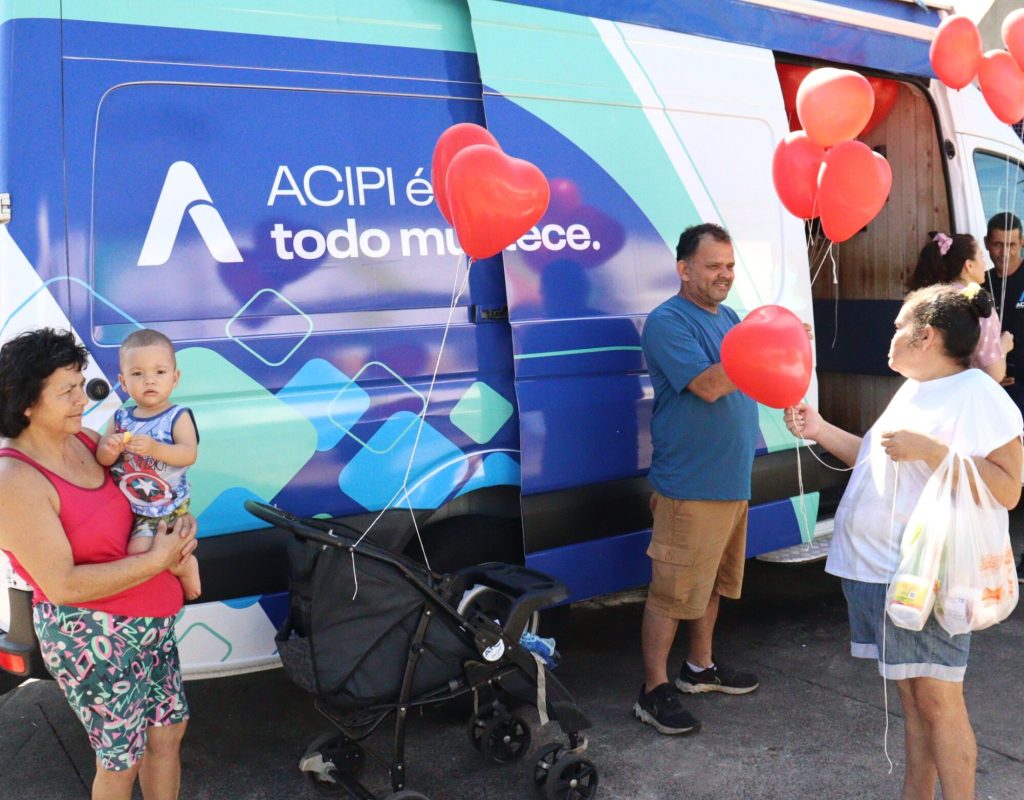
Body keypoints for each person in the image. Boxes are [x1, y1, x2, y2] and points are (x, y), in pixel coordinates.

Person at [784, 284, 1022, 800]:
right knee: (916, 703)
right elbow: (874, 463)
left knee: (938, 703)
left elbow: (1008, 488)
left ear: (927, 335)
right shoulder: (915, 387)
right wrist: (819, 428)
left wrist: (933, 452)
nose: (888, 337)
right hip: (880, 574)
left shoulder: (979, 394)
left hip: (922, 577)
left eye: (898, 327)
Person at [0, 328, 198, 800]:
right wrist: (159, 559)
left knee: (167, 735)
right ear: (27, 402)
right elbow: (63, 584)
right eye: (66, 389)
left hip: (152, 623)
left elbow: (152, 495)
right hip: (94, 639)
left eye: (80, 382)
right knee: (119, 762)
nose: (82, 397)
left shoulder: (89, 440)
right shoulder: (16, 478)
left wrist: (180, 530)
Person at [634, 223, 760, 736]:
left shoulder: (730, 318)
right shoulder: (668, 322)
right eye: (713, 267)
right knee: (670, 593)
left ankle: (699, 669)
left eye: (729, 266)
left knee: (710, 586)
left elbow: (756, 378)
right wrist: (764, 348)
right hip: (689, 487)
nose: (725, 276)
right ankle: (652, 690)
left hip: (731, 481)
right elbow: (710, 386)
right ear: (684, 270)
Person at [97, 329, 201, 600]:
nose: (149, 380)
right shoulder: (120, 417)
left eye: (159, 372)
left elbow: (188, 454)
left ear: (175, 378)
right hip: (132, 505)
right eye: (137, 374)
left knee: (138, 553)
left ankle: (185, 564)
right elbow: (102, 458)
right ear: (122, 381)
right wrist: (110, 448)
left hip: (167, 505)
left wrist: (155, 448)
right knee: (130, 554)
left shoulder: (177, 416)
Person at [907, 231, 1012, 382]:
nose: (985, 263)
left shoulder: (924, 300)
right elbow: (994, 374)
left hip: (925, 391)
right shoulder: (978, 306)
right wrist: (1004, 345)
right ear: (969, 265)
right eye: (981, 256)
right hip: (966, 397)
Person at [983, 212, 1024, 581]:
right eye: (997, 244)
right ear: (987, 245)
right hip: (993, 389)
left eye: (1012, 245)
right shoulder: (980, 285)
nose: (1004, 252)